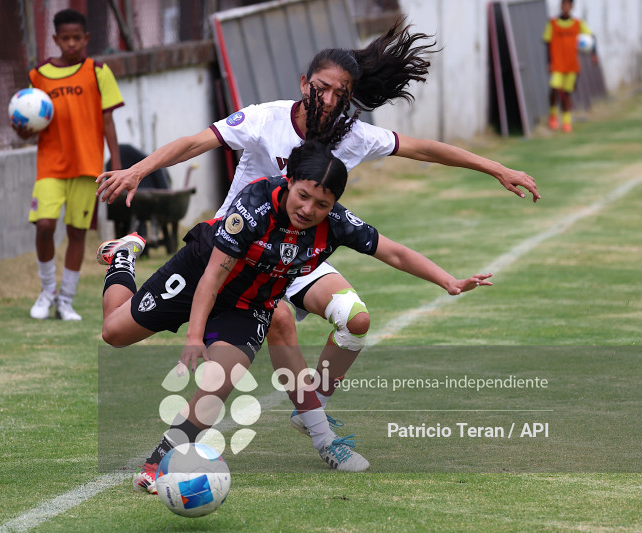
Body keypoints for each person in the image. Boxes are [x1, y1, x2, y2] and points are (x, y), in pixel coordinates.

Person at [95, 17, 538, 464]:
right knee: (124, 332)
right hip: (236, 247)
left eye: (340, 94)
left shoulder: (355, 138)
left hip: (298, 252)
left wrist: (496, 168)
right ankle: (122, 260)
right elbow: (195, 142)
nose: (328, 100)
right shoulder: (266, 119)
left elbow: (424, 149)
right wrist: (138, 170)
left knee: (354, 319)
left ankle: (315, 421)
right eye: (321, 89)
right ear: (304, 83)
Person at [14, 8, 124, 321]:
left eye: (77, 37)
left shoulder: (98, 71)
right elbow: (28, 120)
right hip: (50, 165)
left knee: (77, 232)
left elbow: (108, 121)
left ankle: (66, 301)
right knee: (44, 226)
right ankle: (48, 290)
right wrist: (21, 129)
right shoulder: (39, 75)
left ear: (86, 38)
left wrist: (117, 167)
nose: (72, 43)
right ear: (55, 39)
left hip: (87, 166)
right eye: (66, 38)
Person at [543, 0, 598, 133]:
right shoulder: (552, 23)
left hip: (572, 65)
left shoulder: (578, 24)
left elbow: (591, 37)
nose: (566, 7)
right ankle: (553, 116)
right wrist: (549, 62)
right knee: (554, 89)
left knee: (567, 94)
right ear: (561, 6)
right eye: (564, 4)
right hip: (557, 65)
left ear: (572, 7)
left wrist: (593, 54)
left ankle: (566, 122)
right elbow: (547, 43)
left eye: (568, 5)